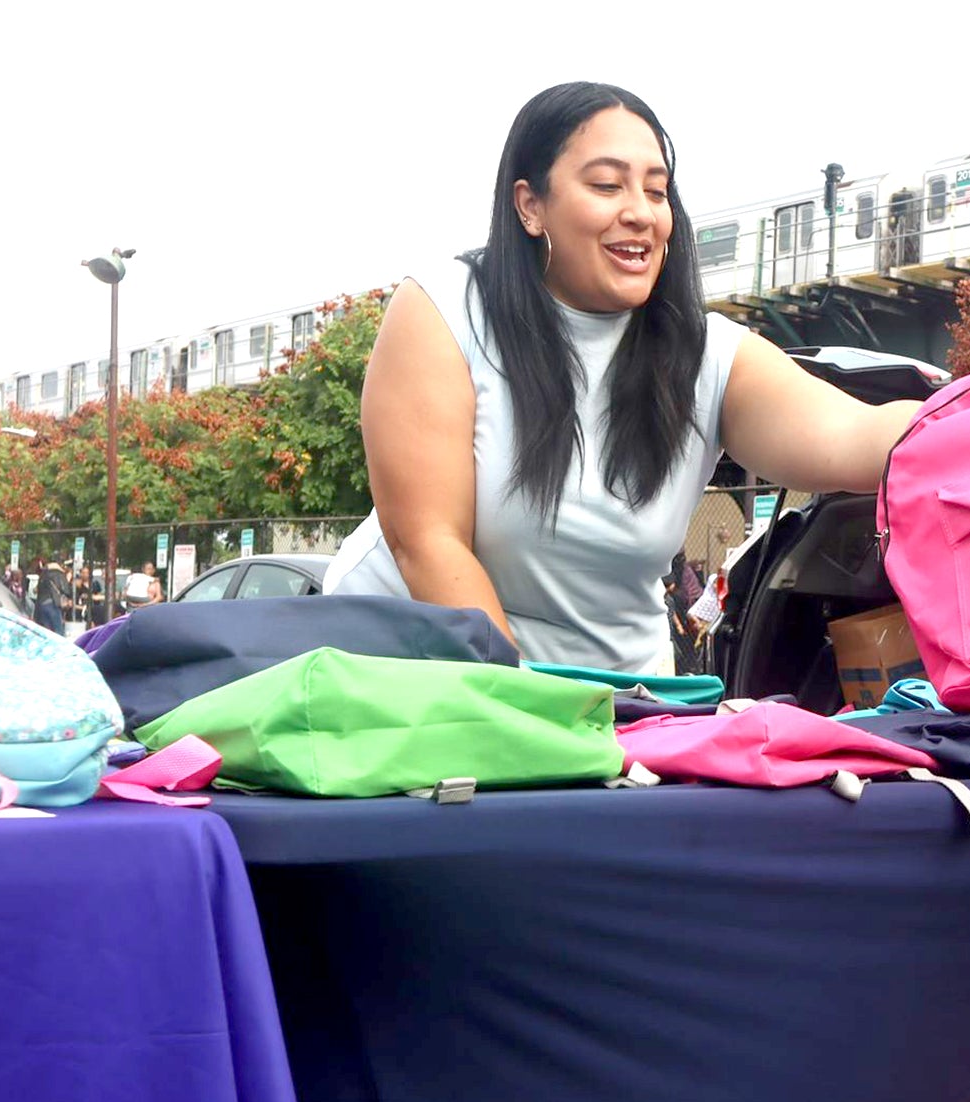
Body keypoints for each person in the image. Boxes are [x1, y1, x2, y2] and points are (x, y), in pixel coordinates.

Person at [324, 83, 922, 673]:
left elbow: (860, 435)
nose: (639, 212)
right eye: (607, 185)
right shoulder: (445, 309)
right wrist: (531, 713)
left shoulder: (706, 353)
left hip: (612, 703)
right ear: (530, 205)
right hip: (415, 675)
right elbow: (428, 545)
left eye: (656, 191)